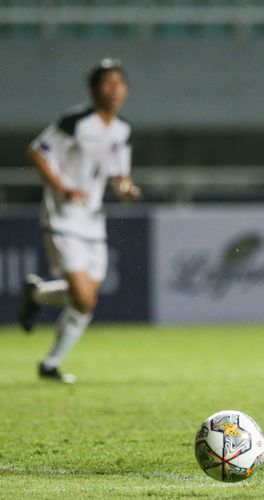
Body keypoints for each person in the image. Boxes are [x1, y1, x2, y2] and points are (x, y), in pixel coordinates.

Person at [17, 58, 141, 384]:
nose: (115, 89)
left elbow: (119, 177)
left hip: (93, 222)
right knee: (83, 298)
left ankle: (39, 302)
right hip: (62, 218)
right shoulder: (75, 122)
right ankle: (49, 352)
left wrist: (126, 190)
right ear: (93, 89)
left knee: (85, 300)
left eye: (120, 83)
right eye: (108, 82)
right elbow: (37, 152)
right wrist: (63, 188)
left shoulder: (122, 130)